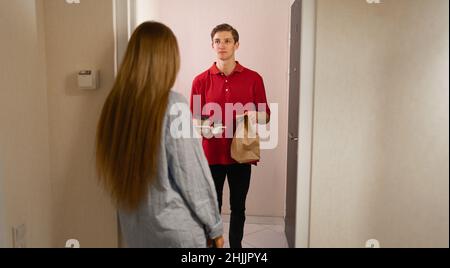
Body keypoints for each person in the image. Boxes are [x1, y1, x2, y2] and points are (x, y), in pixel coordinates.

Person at [96, 21, 224, 248]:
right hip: (177, 234)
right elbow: (193, 177)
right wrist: (214, 226)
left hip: (136, 233)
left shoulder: (114, 106)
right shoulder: (173, 104)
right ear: (167, 61)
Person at [190, 23, 271, 248]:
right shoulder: (200, 80)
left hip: (241, 154)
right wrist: (205, 127)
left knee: (238, 206)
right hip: (211, 155)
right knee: (211, 207)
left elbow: (266, 116)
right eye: (217, 41)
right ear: (212, 45)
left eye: (227, 41)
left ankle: (236, 247)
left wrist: (256, 115)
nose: (222, 45)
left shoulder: (254, 78)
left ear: (236, 44)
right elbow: (194, 119)